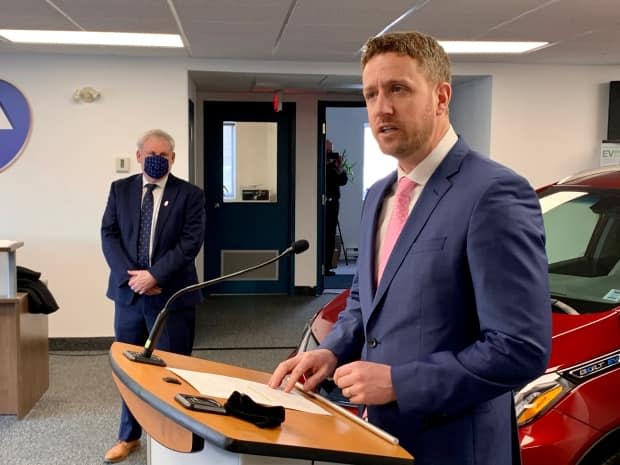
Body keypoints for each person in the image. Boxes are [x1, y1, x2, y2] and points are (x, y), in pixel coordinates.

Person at [270, 31, 551, 465]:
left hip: (454, 446)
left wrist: (402, 383)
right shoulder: (378, 196)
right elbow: (367, 302)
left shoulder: (493, 194)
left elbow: (520, 347)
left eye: (398, 89)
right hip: (380, 437)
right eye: (371, 94)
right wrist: (332, 351)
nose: (381, 107)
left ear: (441, 97)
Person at [101, 129, 205, 463]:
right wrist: (131, 278)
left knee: (172, 371)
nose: (156, 159)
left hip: (171, 296)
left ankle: (173, 439)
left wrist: (155, 275)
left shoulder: (190, 195)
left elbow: (190, 243)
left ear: (173, 159)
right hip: (129, 296)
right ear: (139, 156)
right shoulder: (120, 190)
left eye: (163, 154)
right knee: (130, 370)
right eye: (150, 154)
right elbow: (109, 234)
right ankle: (128, 436)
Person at [324, 142, 348, 276]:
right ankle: (319, 265)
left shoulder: (335, 165)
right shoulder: (318, 162)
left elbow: (343, 181)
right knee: (321, 234)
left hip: (333, 203)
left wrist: (340, 168)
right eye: (327, 150)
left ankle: (327, 266)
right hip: (321, 202)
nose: (329, 153)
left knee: (331, 234)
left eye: (330, 150)